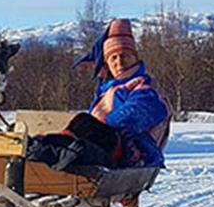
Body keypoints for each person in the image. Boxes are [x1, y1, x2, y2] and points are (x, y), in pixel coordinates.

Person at [27, 19, 171, 170]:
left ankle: (47, 149)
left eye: (125, 56)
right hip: (106, 147)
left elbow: (137, 113)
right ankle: (40, 147)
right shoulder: (109, 90)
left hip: (132, 154)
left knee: (85, 125)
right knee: (78, 131)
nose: (119, 62)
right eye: (113, 58)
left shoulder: (144, 87)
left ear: (135, 58)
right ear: (107, 64)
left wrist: (94, 128)